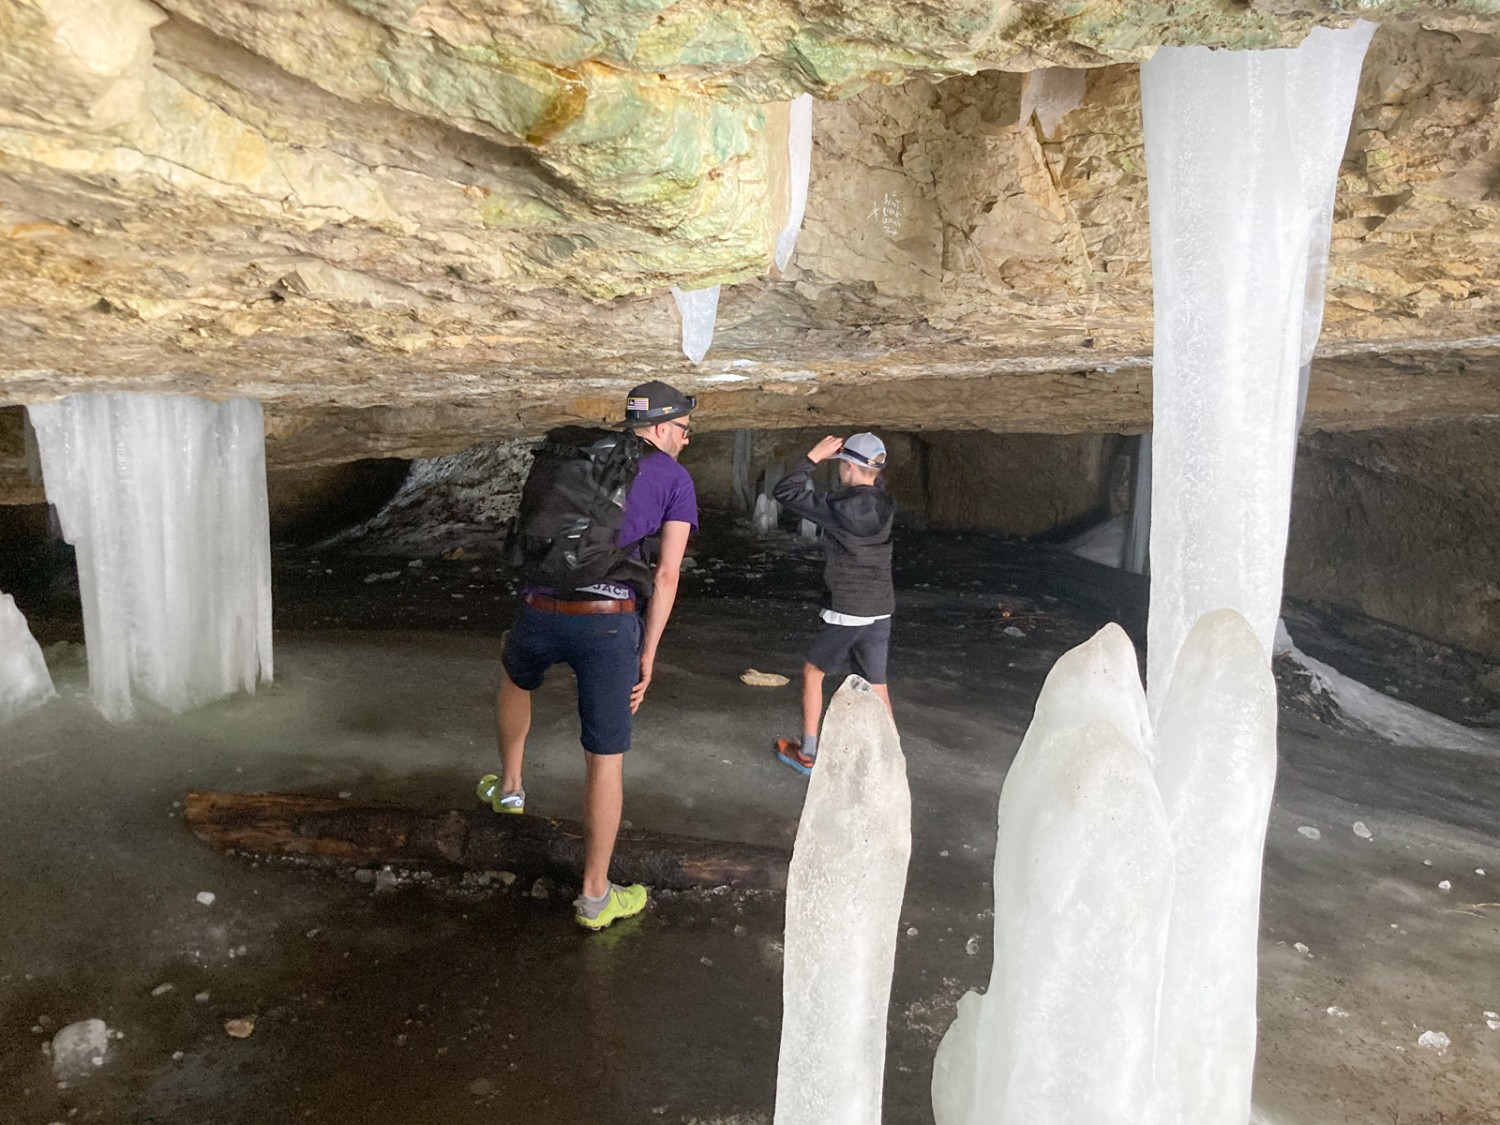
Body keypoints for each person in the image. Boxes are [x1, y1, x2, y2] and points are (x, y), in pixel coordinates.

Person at [477, 380, 698, 930]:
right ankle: (596, 896)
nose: (687, 441)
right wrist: (649, 651)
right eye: (685, 430)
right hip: (606, 625)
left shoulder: (577, 455)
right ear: (663, 427)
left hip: (537, 604)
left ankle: (509, 788)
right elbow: (667, 574)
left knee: (516, 675)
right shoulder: (674, 477)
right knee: (605, 756)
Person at [770, 433, 896, 775]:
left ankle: (808, 753)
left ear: (851, 466)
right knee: (876, 683)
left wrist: (812, 458)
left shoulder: (839, 509)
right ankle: (889, 758)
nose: (840, 469)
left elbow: (785, 492)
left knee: (813, 673)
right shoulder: (886, 504)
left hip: (848, 607)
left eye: (842, 463)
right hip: (881, 605)